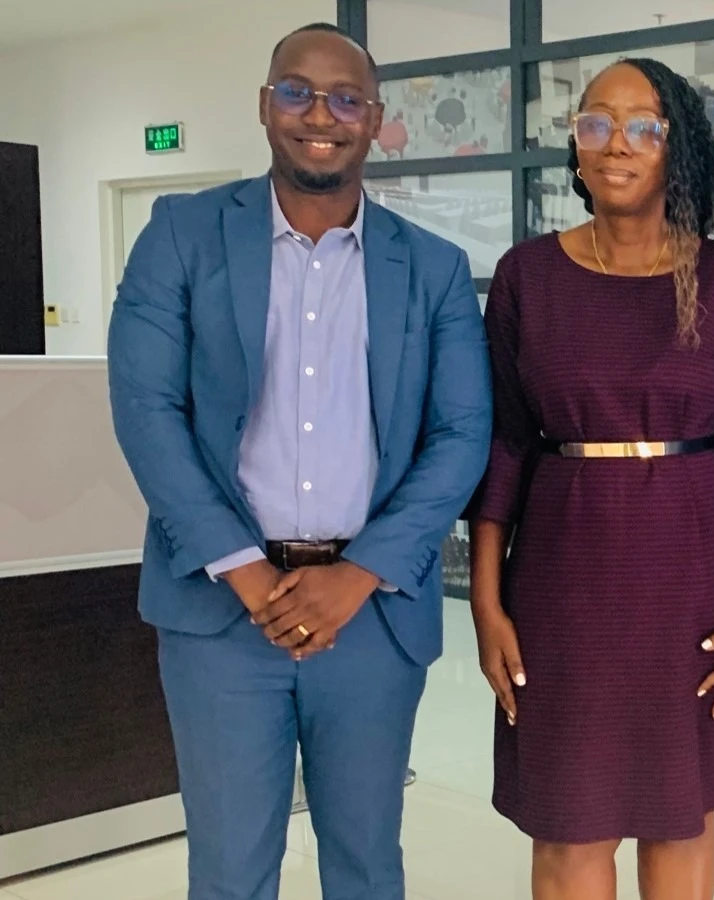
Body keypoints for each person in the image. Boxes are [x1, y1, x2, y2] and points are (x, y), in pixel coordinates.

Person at [106, 23, 492, 900]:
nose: (321, 114)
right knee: (232, 870)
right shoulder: (181, 234)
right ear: (264, 104)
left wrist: (359, 575)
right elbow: (146, 411)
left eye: (346, 98)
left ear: (376, 120)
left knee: (365, 864)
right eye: (297, 92)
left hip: (371, 618)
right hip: (219, 617)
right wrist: (243, 570)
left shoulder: (431, 268)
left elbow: (462, 433)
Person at [467, 58, 714, 900]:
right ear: (574, 143)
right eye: (596, 122)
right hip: (563, 592)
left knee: (681, 815)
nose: (618, 144)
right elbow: (504, 445)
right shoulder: (527, 277)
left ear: (675, 146)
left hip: (696, 589)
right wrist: (486, 599)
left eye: (643, 125)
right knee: (570, 822)